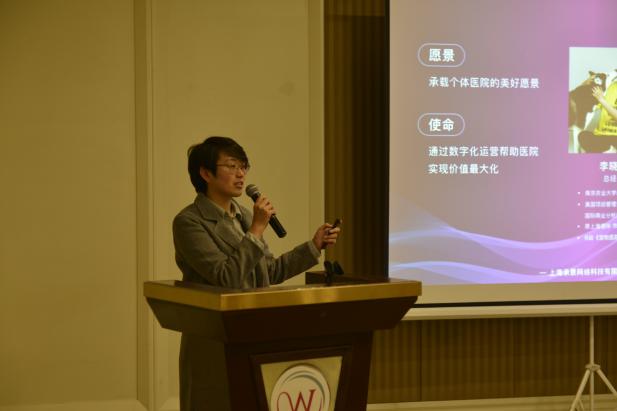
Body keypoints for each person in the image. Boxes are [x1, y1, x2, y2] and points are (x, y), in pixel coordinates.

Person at [172, 136, 341, 410]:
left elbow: (269, 271)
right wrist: (256, 230)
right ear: (205, 173)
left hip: (256, 334)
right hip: (214, 341)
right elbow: (226, 277)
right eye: (231, 166)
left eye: (243, 166)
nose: (241, 174)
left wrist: (313, 246)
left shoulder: (245, 217)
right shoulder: (189, 222)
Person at [578, 82, 617, 153]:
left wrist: (601, 99)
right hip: (603, 135)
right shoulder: (612, 85)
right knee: (583, 136)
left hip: (614, 137)